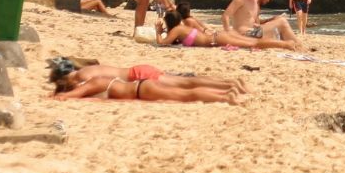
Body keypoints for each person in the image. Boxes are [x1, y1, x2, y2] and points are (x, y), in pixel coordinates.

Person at [47, 58, 243, 104]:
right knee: (188, 84)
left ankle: (226, 96)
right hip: (139, 79)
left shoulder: (86, 81)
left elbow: (71, 96)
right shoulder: (92, 74)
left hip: (141, 86)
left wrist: (55, 95)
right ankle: (228, 86)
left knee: (187, 94)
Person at [157, 10, 297, 51]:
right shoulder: (181, 28)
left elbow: (162, 43)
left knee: (253, 43)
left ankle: (285, 44)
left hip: (217, 39)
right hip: (217, 36)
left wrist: (158, 31)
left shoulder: (176, 30)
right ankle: (286, 43)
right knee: (253, 41)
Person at [223, 0, 299, 43]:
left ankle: (297, 44)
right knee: (282, 21)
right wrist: (228, 33)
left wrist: (270, 21)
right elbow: (225, 15)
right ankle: (298, 44)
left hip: (253, 32)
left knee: (280, 22)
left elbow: (252, 22)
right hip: (243, 34)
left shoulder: (255, 1)